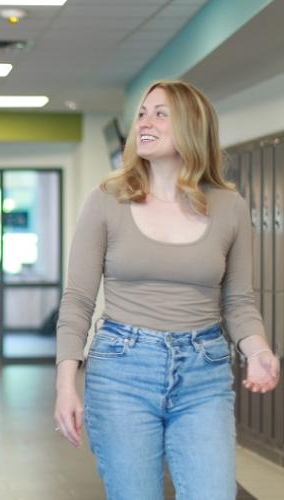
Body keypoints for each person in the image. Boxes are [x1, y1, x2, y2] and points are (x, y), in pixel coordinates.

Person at [54, 80, 280, 500]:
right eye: (142, 112)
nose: (145, 122)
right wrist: (66, 384)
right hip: (122, 371)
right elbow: (78, 301)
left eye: (161, 114)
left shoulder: (229, 206)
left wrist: (259, 350)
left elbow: (239, 301)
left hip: (204, 372)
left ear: (193, 127)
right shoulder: (107, 200)